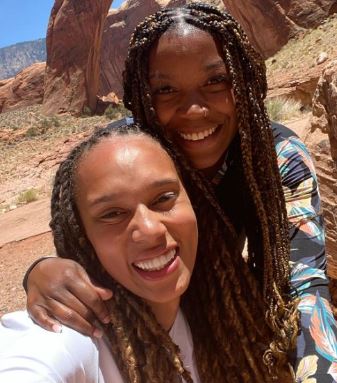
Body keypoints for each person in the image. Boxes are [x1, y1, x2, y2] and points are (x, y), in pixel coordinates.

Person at [23, 3, 337, 381]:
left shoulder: (275, 156)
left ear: (243, 81)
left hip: (228, 305)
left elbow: (304, 283)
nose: (193, 108)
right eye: (166, 89)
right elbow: (81, 228)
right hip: (152, 311)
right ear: (143, 96)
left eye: (215, 81)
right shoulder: (131, 149)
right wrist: (41, 272)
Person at [0, 123, 284, 382]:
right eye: (113, 213)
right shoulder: (68, 338)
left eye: (163, 198)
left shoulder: (211, 312)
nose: (150, 230)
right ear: (82, 236)